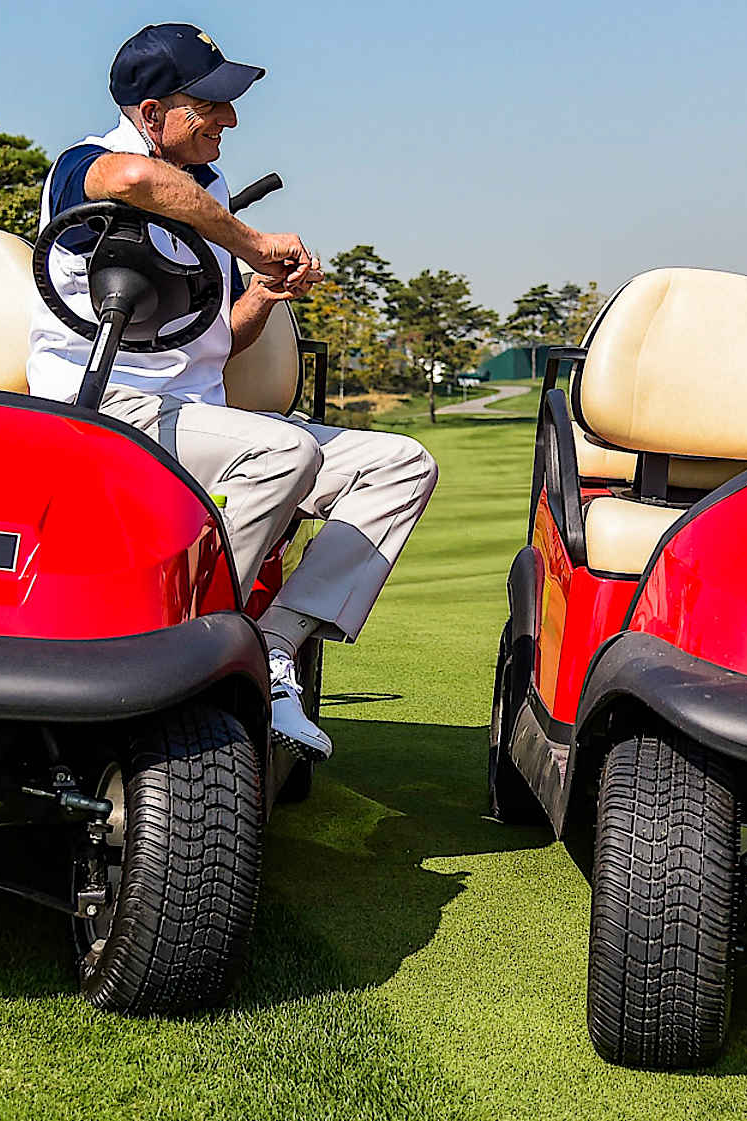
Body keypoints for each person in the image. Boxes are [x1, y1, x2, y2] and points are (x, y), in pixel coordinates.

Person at [26, 24, 438, 762]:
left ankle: (272, 648)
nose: (231, 119)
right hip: (102, 413)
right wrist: (251, 241)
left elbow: (213, 339)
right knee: (281, 453)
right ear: (151, 116)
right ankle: (188, 658)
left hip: (191, 416)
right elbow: (133, 183)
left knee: (401, 465)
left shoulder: (207, 193)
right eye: (209, 103)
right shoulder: (84, 166)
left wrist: (265, 292)